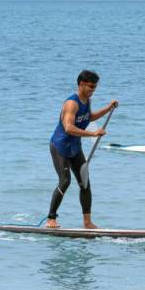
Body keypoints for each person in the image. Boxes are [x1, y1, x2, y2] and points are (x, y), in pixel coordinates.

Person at [47, 70, 117, 229]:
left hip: (75, 147)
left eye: (95, 87)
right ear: (81, 84)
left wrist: (109, 108)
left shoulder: (87, 100)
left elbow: (89, 117)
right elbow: (68, 128)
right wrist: (93, 133)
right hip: (60, 147)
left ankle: (87, 222)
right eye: (91, 87)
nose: (93, 90)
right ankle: (51, 219)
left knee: (84, 183)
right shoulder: (72, 103)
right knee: (65, 181)